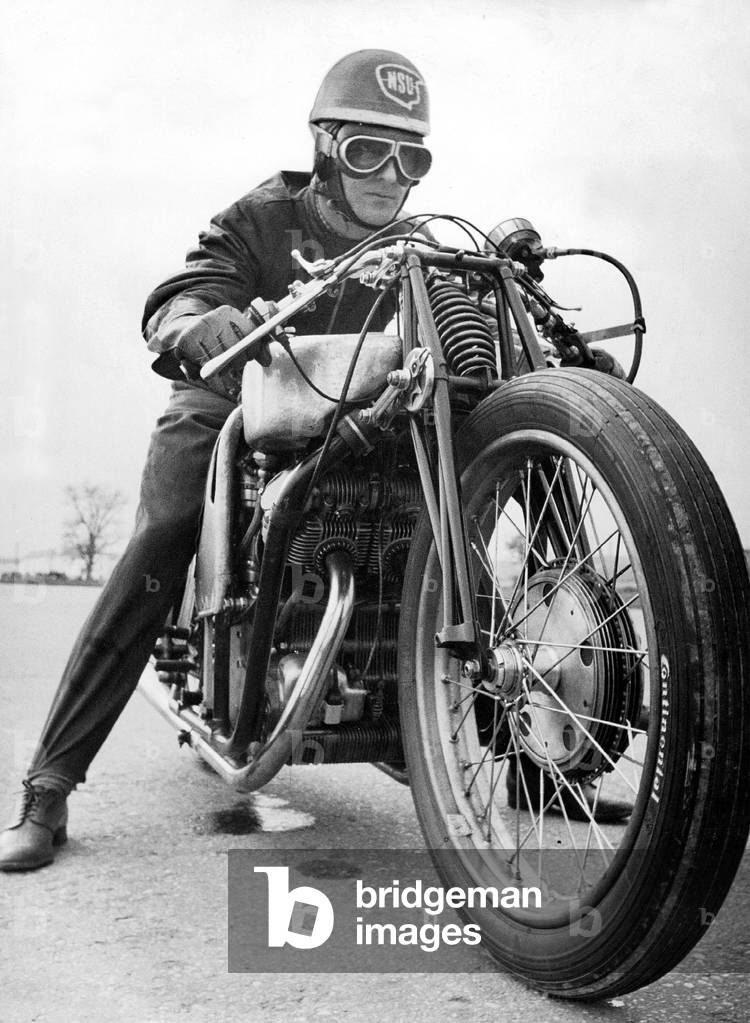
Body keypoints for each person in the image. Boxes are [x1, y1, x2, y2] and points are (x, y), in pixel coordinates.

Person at [0, 48, 435, 871]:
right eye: (367, 150)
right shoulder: (260, 219)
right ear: (324, 144)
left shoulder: (416, 243)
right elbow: (182, 293)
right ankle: (47, 787)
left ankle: (512, 743)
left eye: (410, 156)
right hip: (239, 392)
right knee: (165, 532)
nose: (389, 174)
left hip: (358, 405)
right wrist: (199, 324)